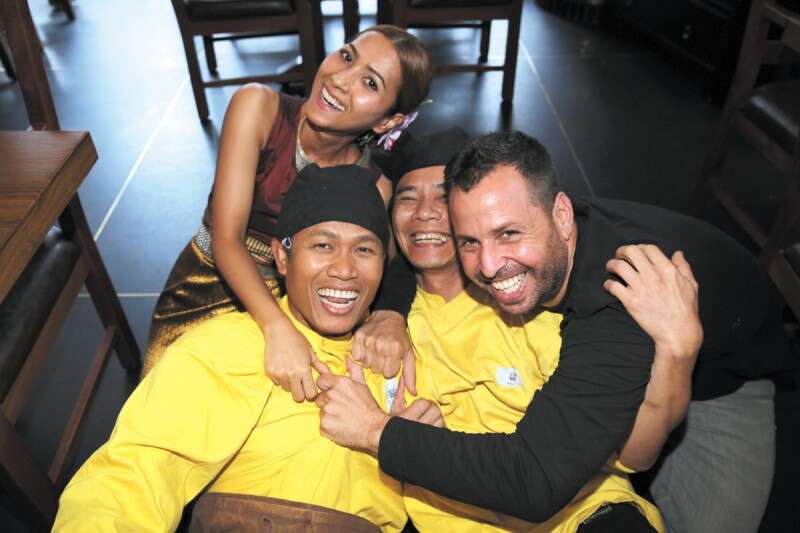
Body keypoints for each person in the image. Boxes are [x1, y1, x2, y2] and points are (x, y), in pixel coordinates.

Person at [317, 131, 796, 533]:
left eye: (508, 234)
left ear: (562, 217)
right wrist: (391, 308)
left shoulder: (615, 300)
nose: (489, 265)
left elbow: (539, 479)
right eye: (471, 242)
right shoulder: (533, 218)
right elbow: (414, 254)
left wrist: (678, 350)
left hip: (724, 377)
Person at [53, 165, 441, 533]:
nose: (344, 269)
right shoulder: (226, 347)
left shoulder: (403, 356)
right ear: (282, 256)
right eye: (323, 245)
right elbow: (135, 473)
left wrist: (418, 452)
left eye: (364, 250)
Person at [380, 127, 707, 532]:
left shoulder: (556, 305)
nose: (425, 212)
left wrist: (678, 351)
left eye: (507, 233)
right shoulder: (376, 317)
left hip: (582, 511)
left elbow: (629, 457)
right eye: (407, 198)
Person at [143, 25, 432, 403]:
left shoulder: (373, 186)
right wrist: (277, 327)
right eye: (347, 56)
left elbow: (392, 263)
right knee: (173, 400)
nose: (340, 80)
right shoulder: (258, 108)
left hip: (306, 301)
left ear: (387, 122)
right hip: (212, 281)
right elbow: (227, 239)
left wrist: (390, 316)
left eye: (370, 83)